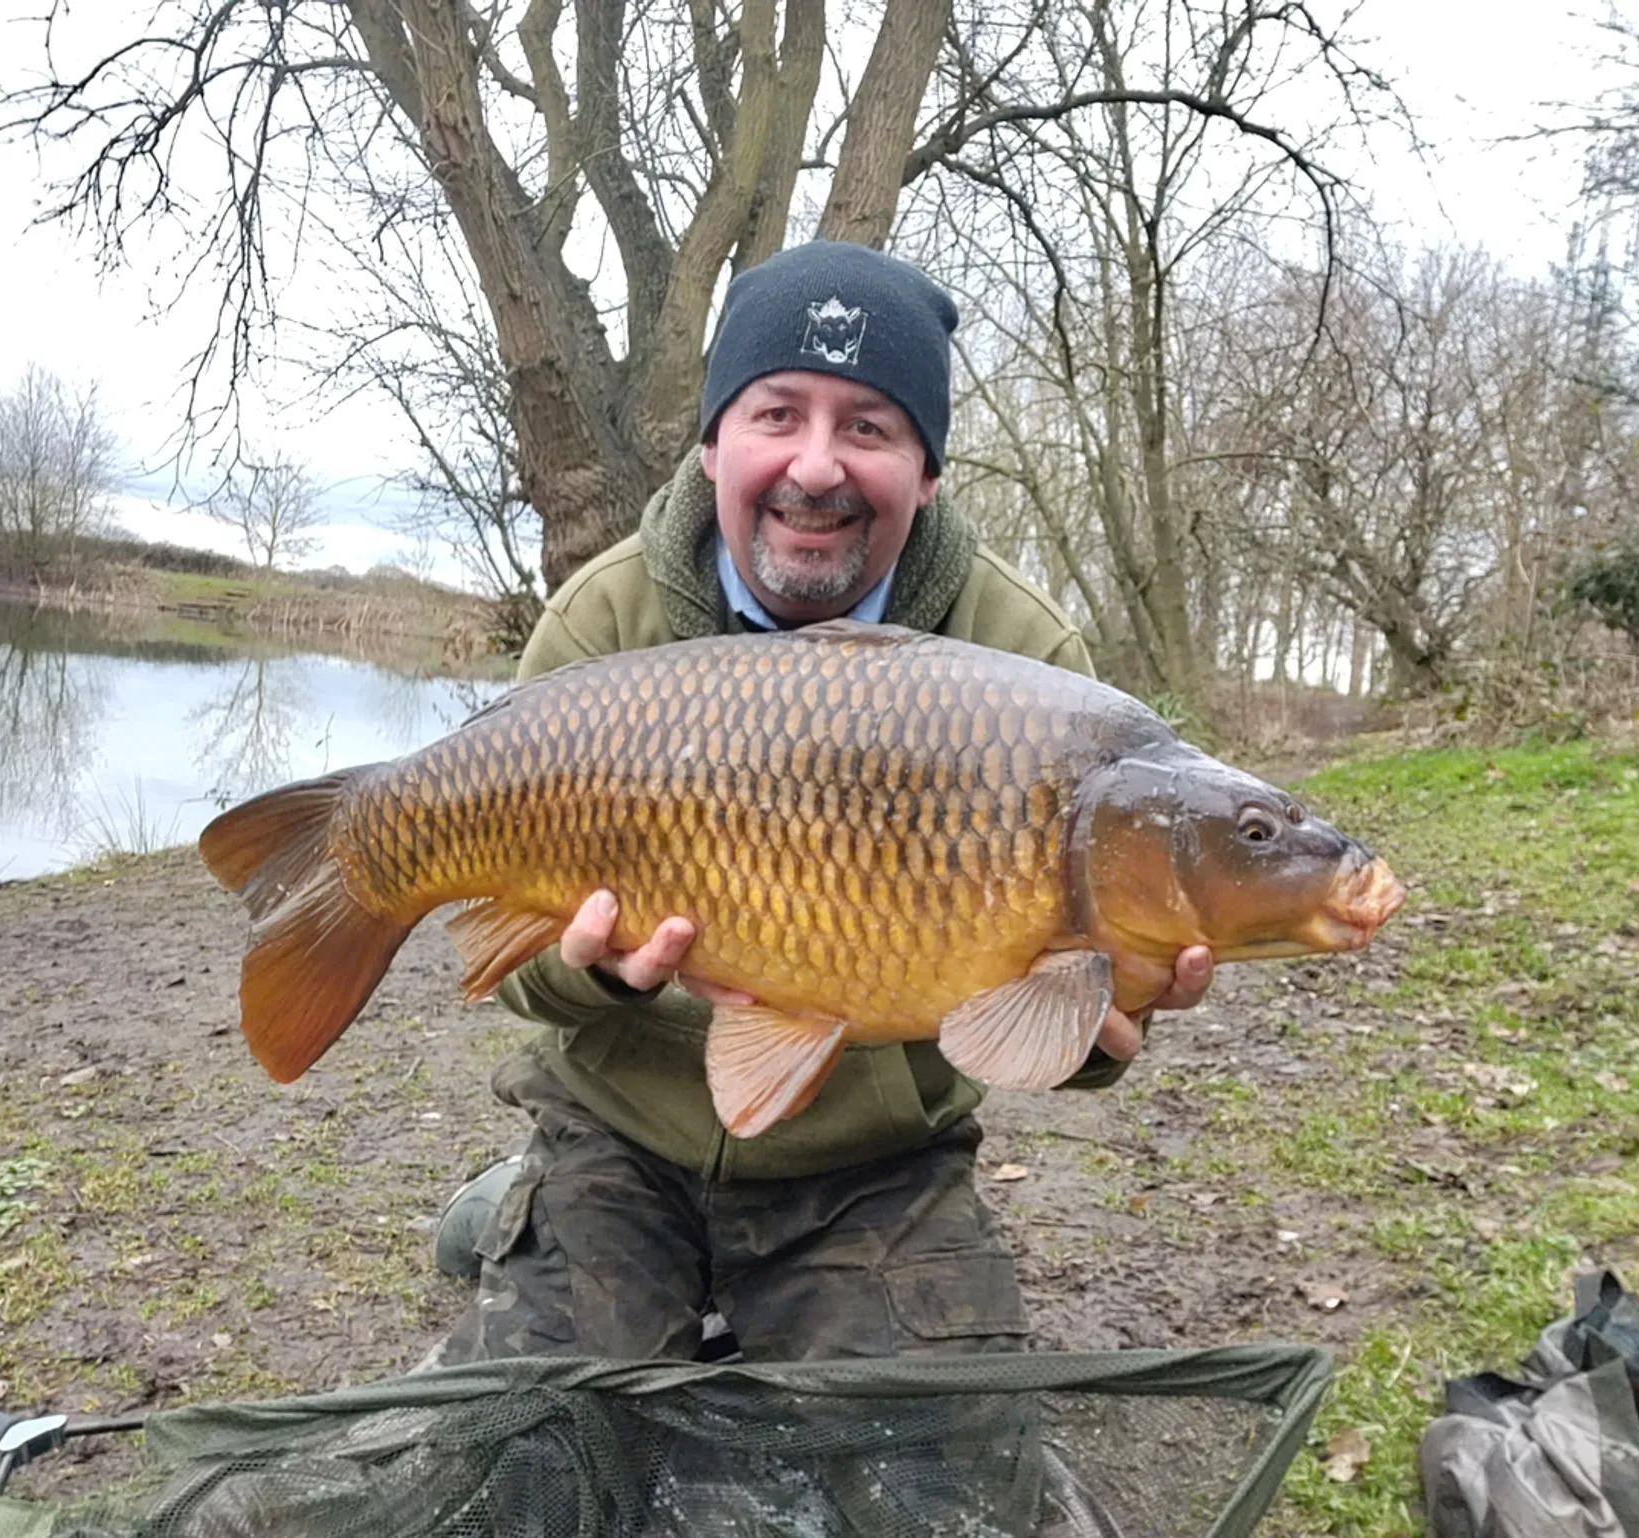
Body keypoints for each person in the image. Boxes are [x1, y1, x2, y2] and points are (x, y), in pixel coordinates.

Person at [425, 241, 1213, 1366]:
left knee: (928, 1483)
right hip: (621, 1131)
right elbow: (517, 977)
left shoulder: (1030, 666)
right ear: (712, 444)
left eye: (868, 427)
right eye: (776, 413)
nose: (814, 466)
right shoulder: (601, 627)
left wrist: (1098, 1011)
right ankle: (531, 1202)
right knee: (540, 1439)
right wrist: (592, 966)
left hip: (874, 1166)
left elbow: (1044, 1020)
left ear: (927, 469)